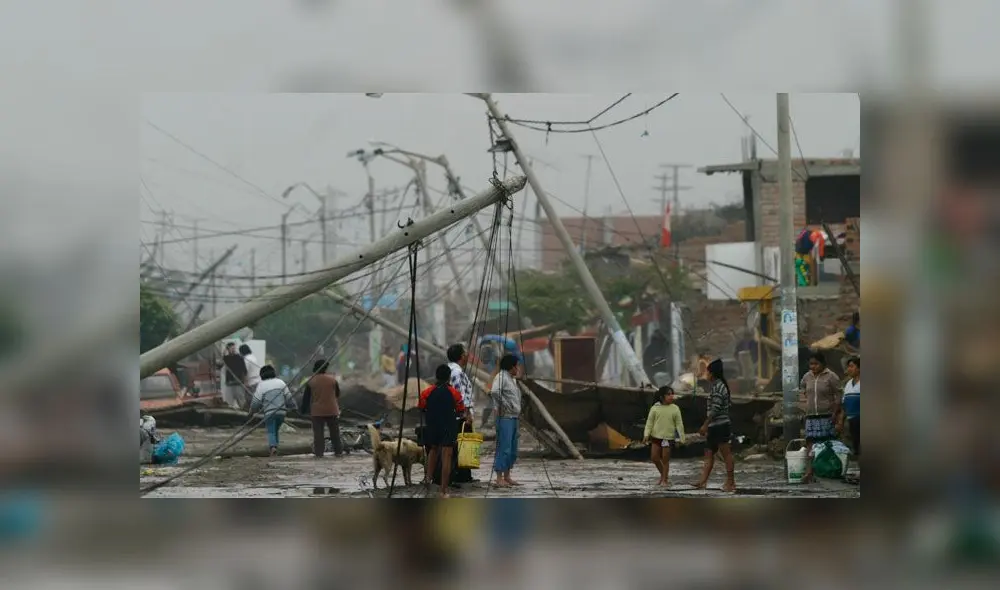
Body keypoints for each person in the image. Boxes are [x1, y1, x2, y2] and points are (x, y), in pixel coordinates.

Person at [419, 364, 469, 498]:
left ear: (436, 376)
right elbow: (460, 409)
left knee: (433, 451)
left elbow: (421, 406)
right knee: (447, 455)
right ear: (449, 378)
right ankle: (443, 490)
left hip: (433, 426)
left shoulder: (427, 392)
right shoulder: (454, 393)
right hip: (449, 426)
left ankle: (428, 481)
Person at [799, 351, 842, 483]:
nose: (813, 367)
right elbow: (802, 391)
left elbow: (839, 395)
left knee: (826, 445)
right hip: (811, 416)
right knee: (810, 444)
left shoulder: (831, 377)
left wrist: (835, 413)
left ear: (823, 364)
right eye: (811, 364)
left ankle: (828, 470)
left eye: (816, 364)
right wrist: (804, 405)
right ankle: (809, 472)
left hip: (827, 416)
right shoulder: (807, 377)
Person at [695, 358, 736, 492]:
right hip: (714, 426)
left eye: (707, 372)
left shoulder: (719, 387)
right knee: (708, 453)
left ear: (712, 374)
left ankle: (731, 482)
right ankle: (702, 482)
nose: (706, 375)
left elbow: (715, 409)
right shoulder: (717, 386)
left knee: (726, 454)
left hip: (720, 425)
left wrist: (705, 425)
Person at [446, 343, 477, 485]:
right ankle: (462, 475)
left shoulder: (450, 369)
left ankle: (461, 474)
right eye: (465, 354)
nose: (467, 356)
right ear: (461, 356)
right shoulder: (457, 372)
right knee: (463, 445)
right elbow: (461, 394)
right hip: (460, 415)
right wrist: (467, 413)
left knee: (458, 445)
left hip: (453, 414)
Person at [490, 354, 522, 488]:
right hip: (505, 417)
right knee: (504, 447)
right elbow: (495, 392)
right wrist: (505, 405)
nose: (518, 368)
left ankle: (507, 476)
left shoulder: (512, 379)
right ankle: (498, 478)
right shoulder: (501, 377)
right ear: (511, 366)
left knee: (512, 449)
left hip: (514, 417)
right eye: (516, 365)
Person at [643, 386, 686, 487]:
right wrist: (646, 434)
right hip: (656, 437)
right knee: (654, 457)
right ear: (662, 397)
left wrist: (682, 437)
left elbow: (679, 424)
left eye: (672, 394)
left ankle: (664, 480)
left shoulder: (675, 409)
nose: (671, 396)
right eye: (668, 394)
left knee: (665, 459)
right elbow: (649, 423)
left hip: (668, 438)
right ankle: (663, 475)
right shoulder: (655, 408)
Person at [250, 365, 293, 456]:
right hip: (282, 412)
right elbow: (289, 397)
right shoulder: (281, 382)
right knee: (275, 430)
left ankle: (273, 447)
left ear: (262, 375)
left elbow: (255, 402)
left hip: (270, 412)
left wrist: (252, 411)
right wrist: (294, 407)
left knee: (271, 431)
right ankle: (275, 447)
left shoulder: (261, 385)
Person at [305, 359, 344, 458]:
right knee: (335, 433)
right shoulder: (332, 380)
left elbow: (306, 398)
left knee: (318, 434)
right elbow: (337, 394)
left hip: (317, 411)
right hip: (332, 410)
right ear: (325, 368)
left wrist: (303, 411)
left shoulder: (311, 381)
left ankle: (319, 454)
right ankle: (338, 452)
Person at [839, 356, 861, 458]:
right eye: (848, 367)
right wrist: (840, 421)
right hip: (850, 422)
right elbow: (844, 404)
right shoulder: (848, 384)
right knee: (854, 449)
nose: (848, 369)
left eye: (851, 366)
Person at [221, 342, 247, 410]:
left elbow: (244, 370)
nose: (233, 350)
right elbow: (222, 358)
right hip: (229, 383)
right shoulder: (226, 358)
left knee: (241, 401)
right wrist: (225, 350)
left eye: (234, 348)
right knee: (229, 402)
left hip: (238, 382)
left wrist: (244, 381)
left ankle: (245, 412)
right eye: (231, 348)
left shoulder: (239, 357)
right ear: (228, 349)